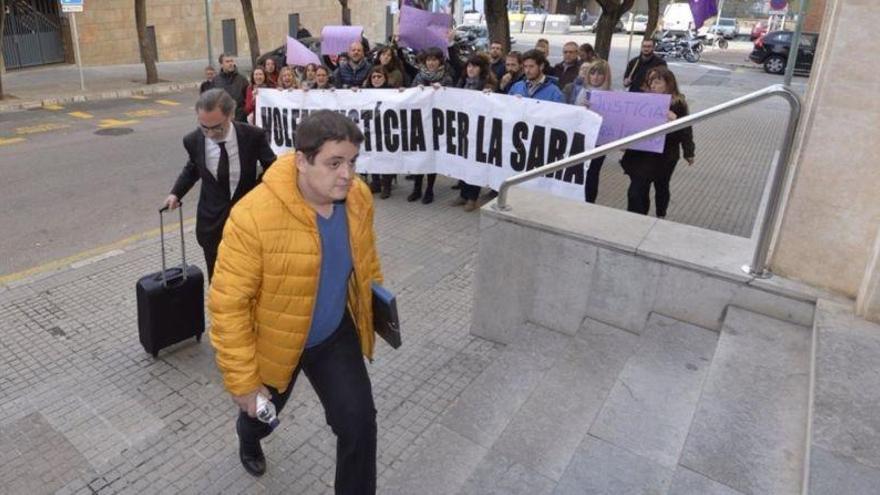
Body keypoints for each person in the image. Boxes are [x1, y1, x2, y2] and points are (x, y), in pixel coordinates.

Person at [208, 110, 383, 493]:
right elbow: (227, 306)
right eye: (334, 163)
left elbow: (366, 262)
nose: (347, 175)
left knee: (359, 424)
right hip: (276, 340)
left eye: (352, 162)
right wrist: (244, 385)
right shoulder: (252, 217)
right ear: (302, 161)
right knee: (262, 417)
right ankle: (248, 436)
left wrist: (375, 309)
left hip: (333, 335)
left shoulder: (358, 198)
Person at [164, 89, 276, 279]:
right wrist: (176, 193)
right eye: (204, 127)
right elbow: (193, 167)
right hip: (212, 223)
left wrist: (261, 192)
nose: (210, 134)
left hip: (248, 220)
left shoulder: (253, 136)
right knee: (217, 277)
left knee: (250, 274)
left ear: (231, 115)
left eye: (217, 127)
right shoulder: (192, 140)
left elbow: (273, 168)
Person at [620, 67, 695, 217]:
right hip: (642, 154)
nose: (653, 85)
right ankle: (637, 217)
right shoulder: (642, 102)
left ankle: (661, 214)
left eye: (657, 82)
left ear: (669, 84)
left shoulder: (678, 104)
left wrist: (688, 150)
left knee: (661, 186)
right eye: (650, 82)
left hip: (664, 156)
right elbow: (629, 123)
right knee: (637, 189)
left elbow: (686, 130)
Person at [409, 46, 454, 204]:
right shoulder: (419, 76)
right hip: (420, 121)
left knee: (432, 156)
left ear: (440, 61)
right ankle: (416, 188)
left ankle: (429, 189)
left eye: (434, 60)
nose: (431, 63)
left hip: (436, 123)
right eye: (429, 60)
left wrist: (442, 91)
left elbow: (453, 99)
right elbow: (410, 96)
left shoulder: (446, 78)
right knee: (420, 155)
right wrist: (416, 90)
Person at [563, 59, 612, 203]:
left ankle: (589, 202)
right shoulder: (578, 90)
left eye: (600, 74)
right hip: (579, 138)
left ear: (606, 76)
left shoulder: (612, 96)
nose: (595, 77)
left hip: (599, 141)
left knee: (592, 173)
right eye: (593, 73)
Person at [453, 54, 497, 212]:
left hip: (480, 132)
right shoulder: (463, 82)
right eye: (469, 66)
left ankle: (473, 197)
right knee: (464, 163)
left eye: (475, 66)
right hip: (464, 130)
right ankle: (463, 194)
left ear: (481, 69)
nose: (471, 69)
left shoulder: (488, 86)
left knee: (475, 164)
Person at [362, 66, 397, 199]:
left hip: (386, 130)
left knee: (386, 157)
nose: (376, 79)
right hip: (370, 129)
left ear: (385, 78)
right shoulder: (364, 92)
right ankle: (376, 182)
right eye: (374, 77)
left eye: (379, 76)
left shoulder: (392, 91)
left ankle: (386, 185)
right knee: (372, 155)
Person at [212, 53, 250, 122]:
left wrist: (243, 113)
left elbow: (248, 99)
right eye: (227, 61)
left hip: (240, 119)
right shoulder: (215, 80)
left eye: (231, 61)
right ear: (221, 64)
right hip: (222, 119)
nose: (230, 63)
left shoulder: (242, 79)